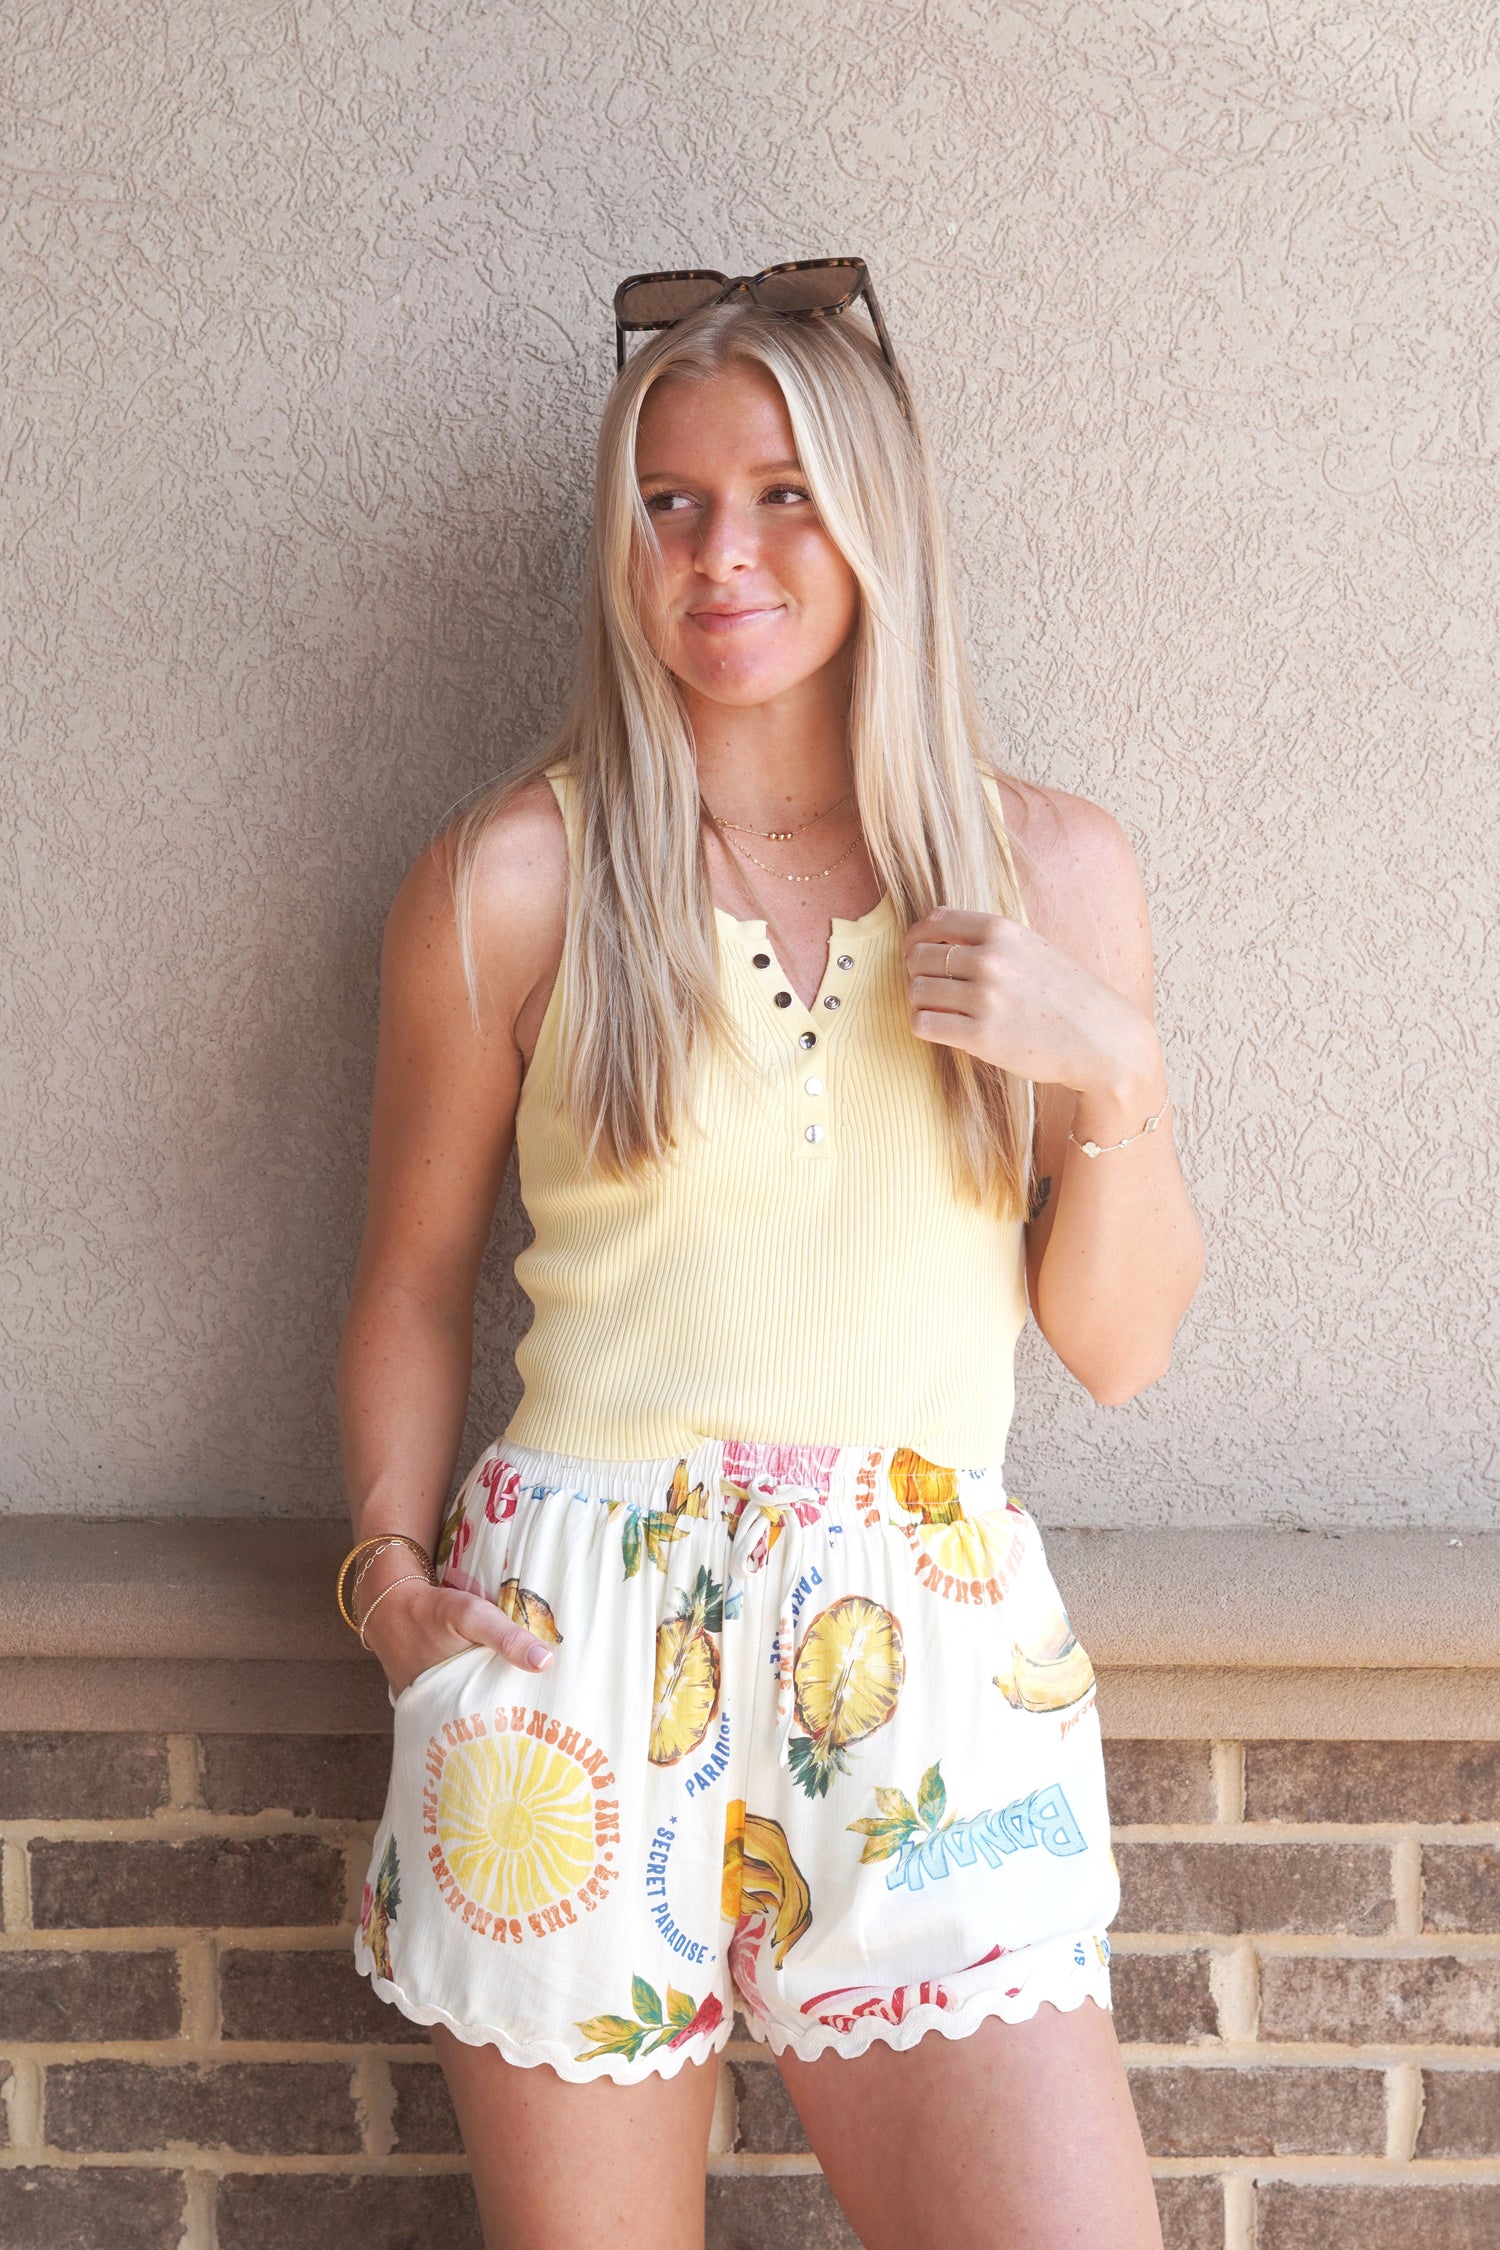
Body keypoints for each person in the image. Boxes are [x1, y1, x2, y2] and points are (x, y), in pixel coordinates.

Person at [337, 260, 1204, 2250]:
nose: (719, 551)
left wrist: (1111, 1067)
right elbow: (406, 1274)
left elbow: (1123, 1347)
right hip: (573, 1647)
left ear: (877, 516)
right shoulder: (519, 881)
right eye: (669, 503)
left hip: (932, 1661)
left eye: (781, 493)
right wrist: (387, 1584)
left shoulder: (1053, 875)